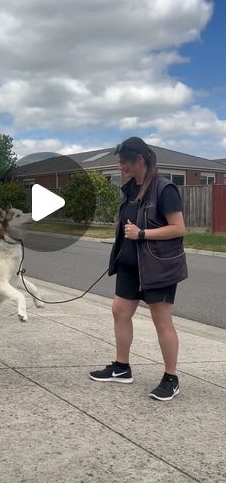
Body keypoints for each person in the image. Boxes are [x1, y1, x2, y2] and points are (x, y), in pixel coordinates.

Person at [90, 137, 188, 401]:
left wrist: (142, 233)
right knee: (120, 311)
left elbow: (178, 228)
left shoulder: (164, 189)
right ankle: (122, 368)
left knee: (161, 321)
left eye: (124, 163)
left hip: (158, 267)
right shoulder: (132, 187)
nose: (121, 168)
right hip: (131, 266)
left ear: (140, 161)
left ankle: (171, 378)